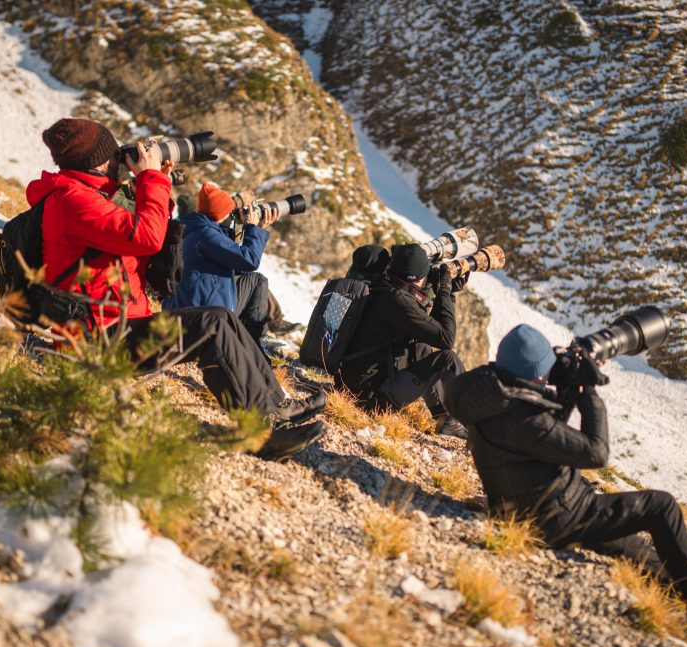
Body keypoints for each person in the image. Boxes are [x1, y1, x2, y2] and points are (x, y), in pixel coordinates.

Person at [443, 324, 687, 647]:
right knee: (660, 507)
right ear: (536, 376)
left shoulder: (488, 393)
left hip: (523, 504)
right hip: (555, 518)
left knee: (636, 550)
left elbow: (544, 437)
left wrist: (564, 389)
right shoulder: (524, 420)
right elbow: (595, 453)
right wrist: (589, 394)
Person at [28, 118, 325, 459]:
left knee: (221, 319)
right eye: (113, 156)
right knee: (212, 326)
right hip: (98, 341)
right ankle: (262, 433)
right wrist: (148, 179)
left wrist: (159, 185)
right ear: (97, 161)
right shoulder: (73, 201)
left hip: (117, 324)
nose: (119, 161)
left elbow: (152, 249)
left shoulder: (89, 197)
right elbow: (147, 236)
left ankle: (277, 408)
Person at [336, 243, 468, 438]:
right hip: (370, 400)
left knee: (421, 345)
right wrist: (445, 291)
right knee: (447, 360)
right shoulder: (397, 302)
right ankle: (467, 425)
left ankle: (444, 417)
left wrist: (448, 295)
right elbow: (446, 339)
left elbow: (429, 328)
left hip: (351, 385)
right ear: (420, 277)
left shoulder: (381, 288)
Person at [165, 183, 276, 343]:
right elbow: (249, 260)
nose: (229, 214)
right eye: (227, 210)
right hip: (207, 313)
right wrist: (252, 228)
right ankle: (252, 341)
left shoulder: (198, 227)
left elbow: (237, 261)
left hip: (203, 303)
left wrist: (242, 225)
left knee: (256, 280)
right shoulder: (206, 235)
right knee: (257, 279)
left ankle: (249, 337)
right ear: (219, 213)